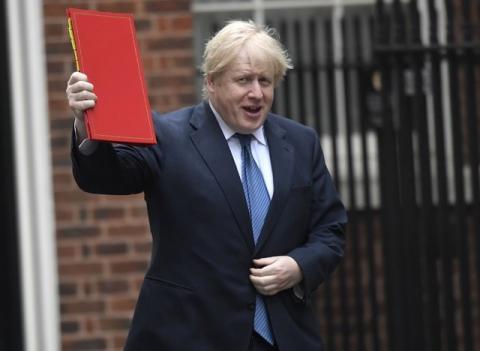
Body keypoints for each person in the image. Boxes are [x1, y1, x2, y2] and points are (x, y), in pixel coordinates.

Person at [66, 20, 346, 351]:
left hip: (282, 338)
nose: (256, 93)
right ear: (211, 82)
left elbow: (330, 231)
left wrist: (299, 266)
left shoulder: (301, 142)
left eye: (265, 81)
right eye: (243, 80)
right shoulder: (167, 135)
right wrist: (88, 128)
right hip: (190, 335)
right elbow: (106, 176)